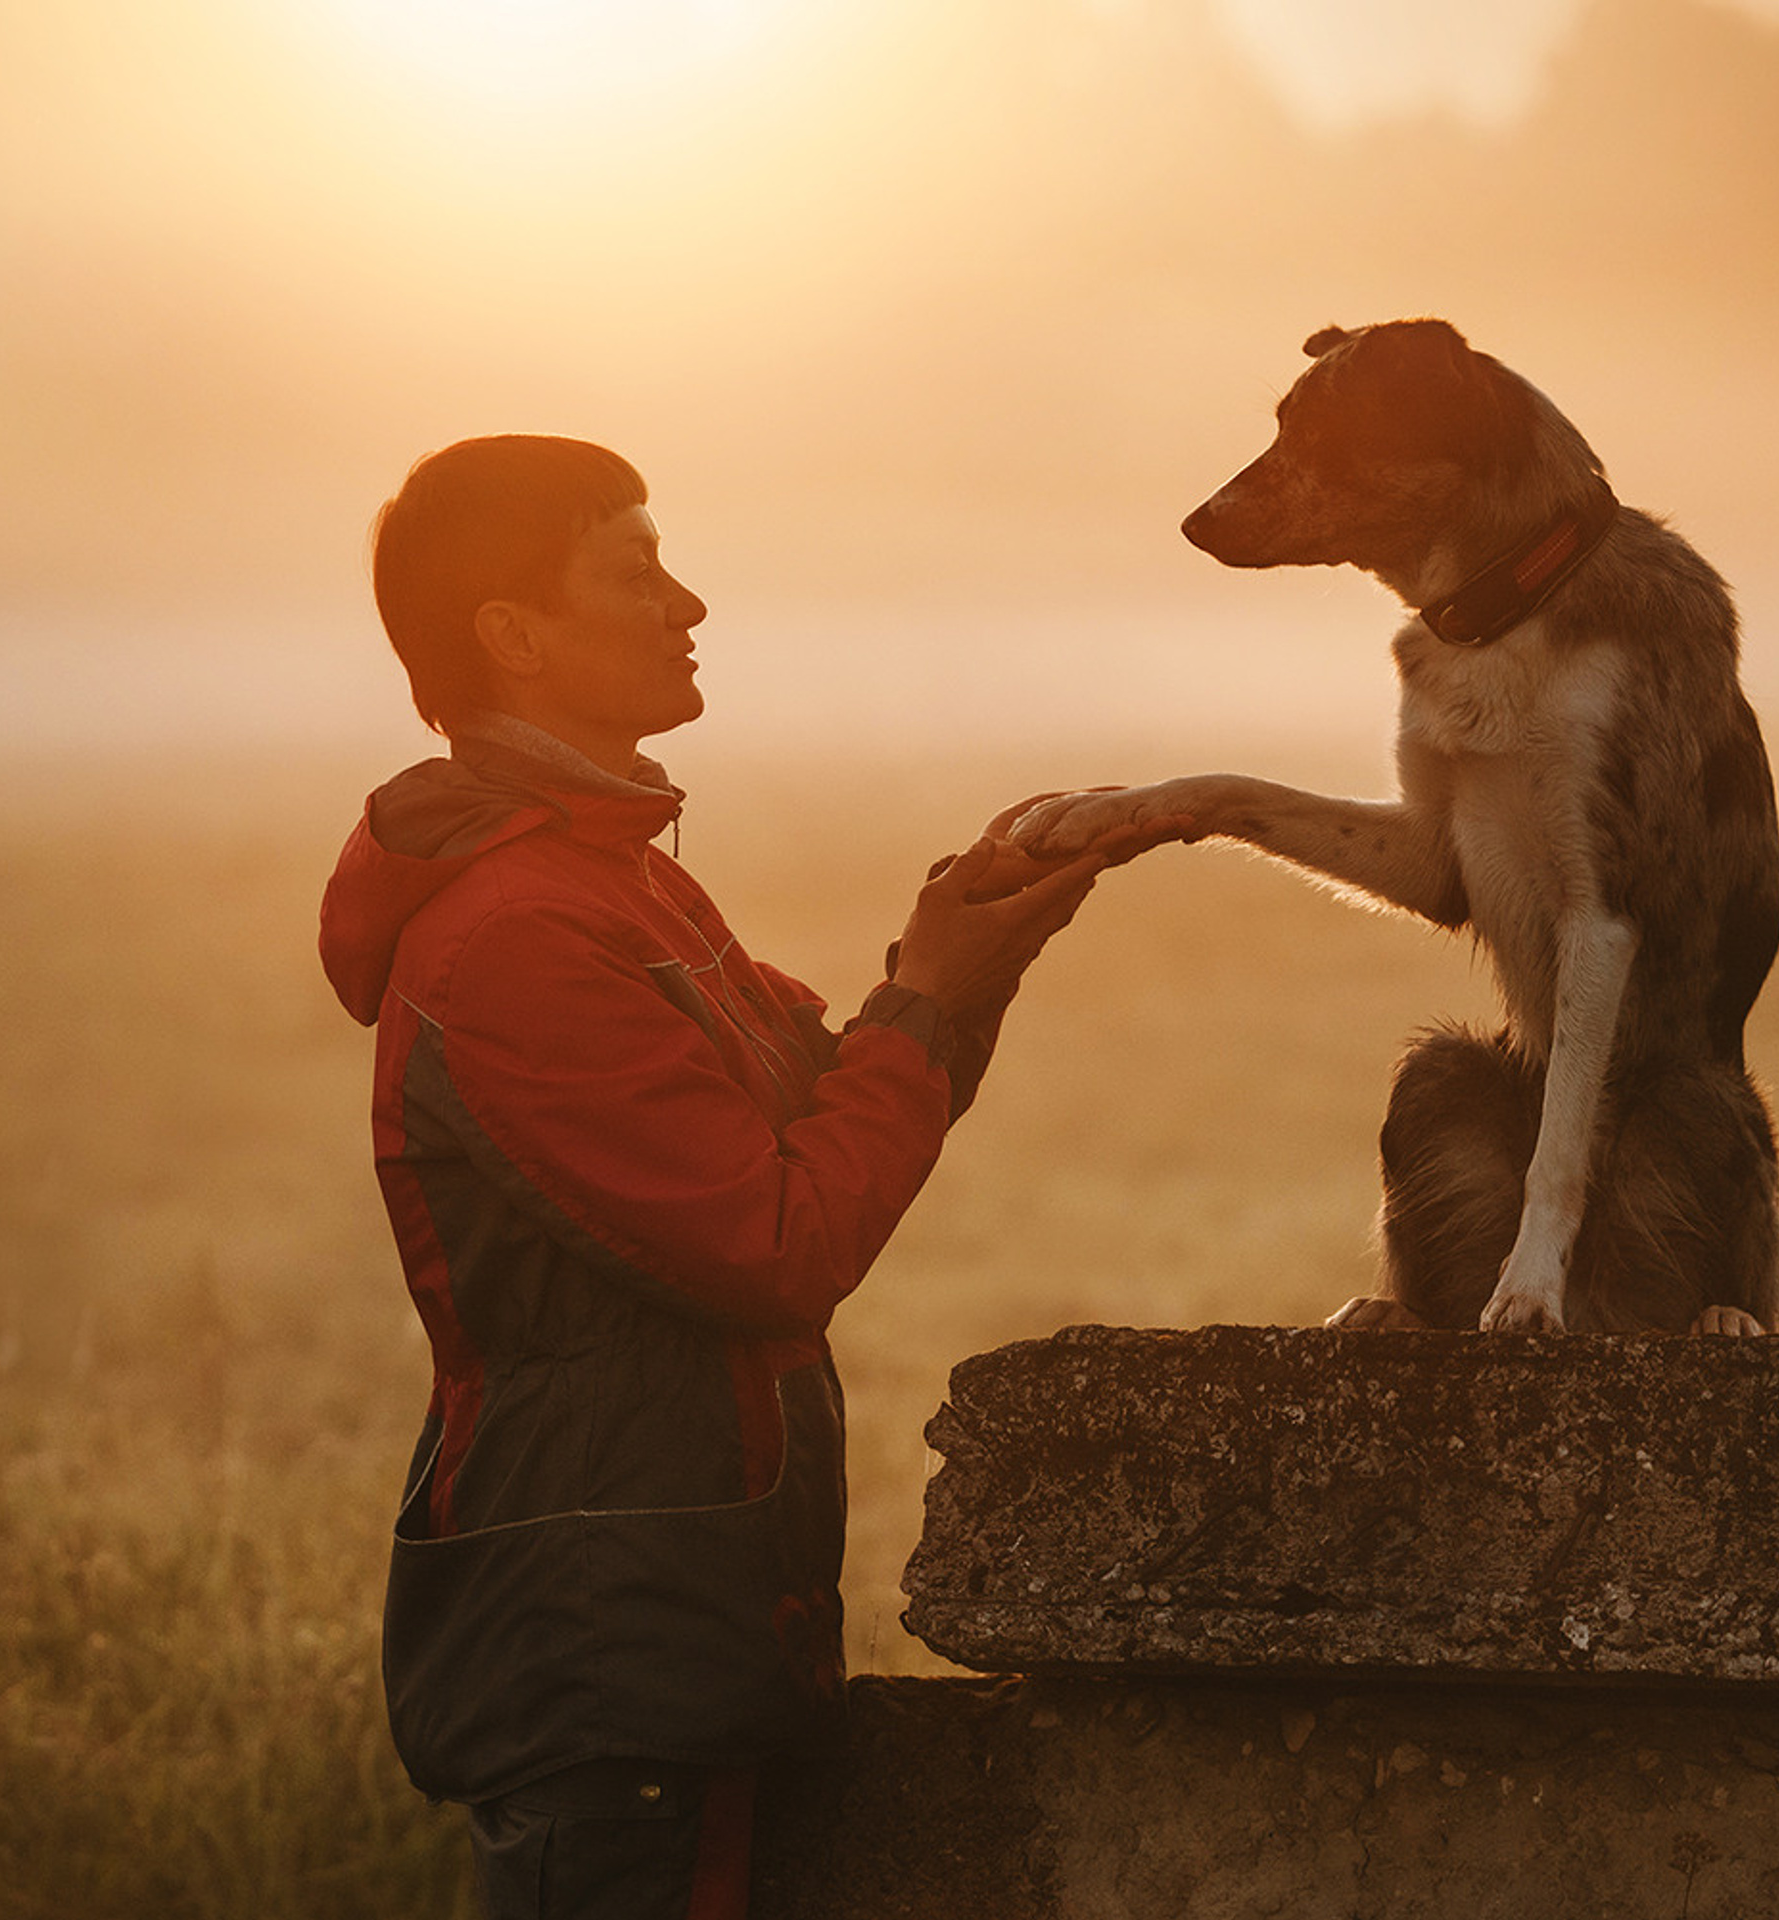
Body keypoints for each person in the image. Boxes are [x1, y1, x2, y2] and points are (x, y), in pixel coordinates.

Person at [317, 435, 1165, 1919]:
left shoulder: (621, 880)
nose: (688, 603)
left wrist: (965, 967)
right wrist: (924, 1002)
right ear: (511, 635)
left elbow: (835, 1110)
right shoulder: (514, 939)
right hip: (604, 1655)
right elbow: (779, 1238)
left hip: (674, 1619)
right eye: (635, 571)